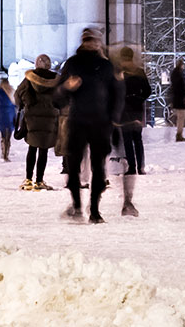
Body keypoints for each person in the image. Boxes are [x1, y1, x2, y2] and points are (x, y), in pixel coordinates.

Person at [55, 28, 120, 223]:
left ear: (98, 43)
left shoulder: (106, 66)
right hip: (78, 120)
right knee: (73, 165)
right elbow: (56, 98)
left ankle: (95, 210)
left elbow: (115, 95)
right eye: (88, 40)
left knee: (98, 168)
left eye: (94, 40)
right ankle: (76, 205)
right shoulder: (73, 64)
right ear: (83, 42)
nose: (92, 44)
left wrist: (113, 119)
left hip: (100, 122)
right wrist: (66, 88)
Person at [114, 45, 150, 216]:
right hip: (136, 108)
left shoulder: (121, 73)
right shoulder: (140, 71)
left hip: (125, 109)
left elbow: (116, 91)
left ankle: (132, 167)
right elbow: (148, 91)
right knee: (137, 139)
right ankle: (140, 166)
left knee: (128, 139)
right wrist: (139, 98)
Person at [16, 55, 60, 190]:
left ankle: (28, 180)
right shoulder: (56, 80)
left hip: (32, 118)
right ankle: (39, 181)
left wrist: (27, 102)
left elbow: (18, 94)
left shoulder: (29, 78)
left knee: (32, 147)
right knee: (43, 149)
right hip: (49, 118)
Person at [0, 77, 17, 162]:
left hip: (1, 115)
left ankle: (3, 153)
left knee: (3, 135)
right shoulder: (12, 91)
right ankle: (6, 154)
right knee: (8, 136)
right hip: (10, 114)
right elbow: (16, 106)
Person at [166, 59, 185, 141]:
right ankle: (179, 134)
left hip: (176, 98)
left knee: (179, 117)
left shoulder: (174, 74)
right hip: (180, 99)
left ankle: (179, 133)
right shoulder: (179, 75)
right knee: (181, 117)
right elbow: (180, 86)